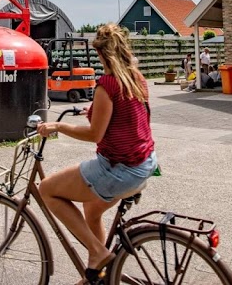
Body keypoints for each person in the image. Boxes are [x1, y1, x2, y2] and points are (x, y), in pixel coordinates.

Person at [37, 23, 157, 283]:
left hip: (120, 170)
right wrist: (91, 109)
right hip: (145, 163)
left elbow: (94, 135)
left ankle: (98, 253)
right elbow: (124, 111)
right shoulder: (136, 78)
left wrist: (57, 126)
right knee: (91, 211)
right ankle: (100, 275)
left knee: (46, 189)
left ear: (103, 55)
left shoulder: (107, 85)